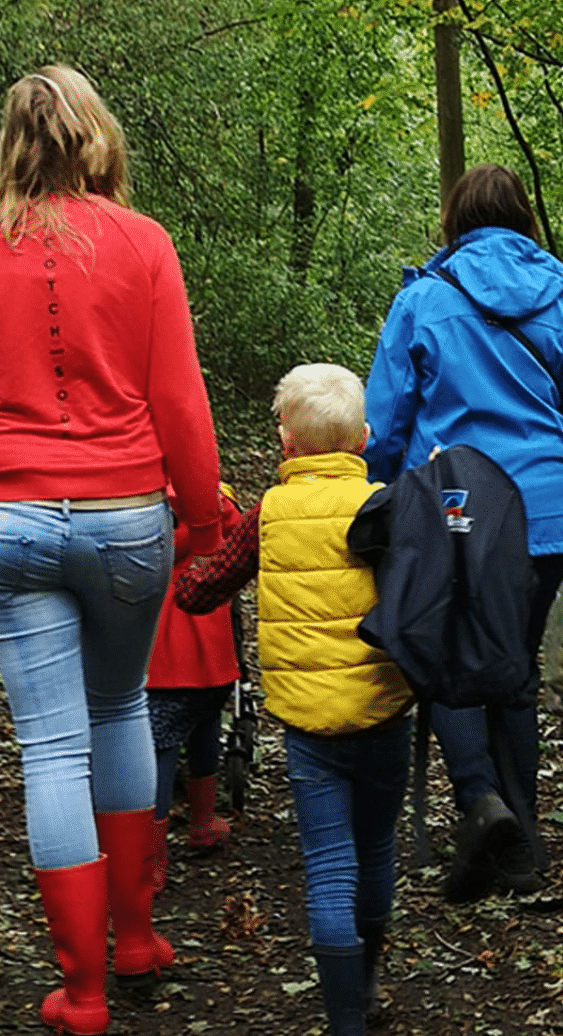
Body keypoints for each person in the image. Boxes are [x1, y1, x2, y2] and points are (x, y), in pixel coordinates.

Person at [0, 64, 223, 1036]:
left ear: (12, 144)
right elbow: (178, 399)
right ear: (97, 137)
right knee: (121, 704)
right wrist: (208, 526)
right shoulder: (143, 244)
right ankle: (134, 941)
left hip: (4, 519)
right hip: (126, 512)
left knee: (50, 743)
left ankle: (80, 992)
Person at [363, 163, 563, 901]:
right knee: (511, 674)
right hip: (539, 516)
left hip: (450, 512)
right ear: (523, 219)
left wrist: (386, 497)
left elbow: (383, 423)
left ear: (454, 220)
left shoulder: (421, 301)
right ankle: (521, 845)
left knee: (442, 659)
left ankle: (480, 800)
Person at [176, 363, 415, 1036]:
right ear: (363, 438)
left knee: (329, 865)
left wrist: (163, 583)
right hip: (383, 708)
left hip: (308, 725)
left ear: (284, 443)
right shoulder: (387, 506)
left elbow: (205, 588)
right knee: (375, 848)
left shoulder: (266, 515)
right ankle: (365, 985)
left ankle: (343, 1020)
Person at [146, 483, 243, 892]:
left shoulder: (144, 502)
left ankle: (151, 863)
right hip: (216, 644)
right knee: (206, 729)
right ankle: (202, 823)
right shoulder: (217, 500)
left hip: (166, 652)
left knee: (159, 749)